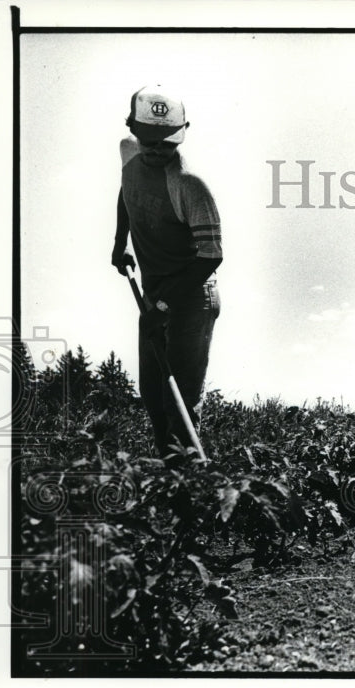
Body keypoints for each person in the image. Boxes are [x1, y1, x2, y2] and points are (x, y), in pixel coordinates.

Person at [111, 85, 222, 458]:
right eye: (150, 142)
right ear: (134, 131)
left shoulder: (189, 185)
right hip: (155, 293)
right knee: (153, 395)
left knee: (180, 401)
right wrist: (120, 241)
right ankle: (168, 480)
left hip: (192, 296)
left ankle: (191, 494)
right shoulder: (128, 155)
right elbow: (127, 191)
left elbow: (211, 256)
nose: (158, 151)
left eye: (168, 143)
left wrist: (162, 308)